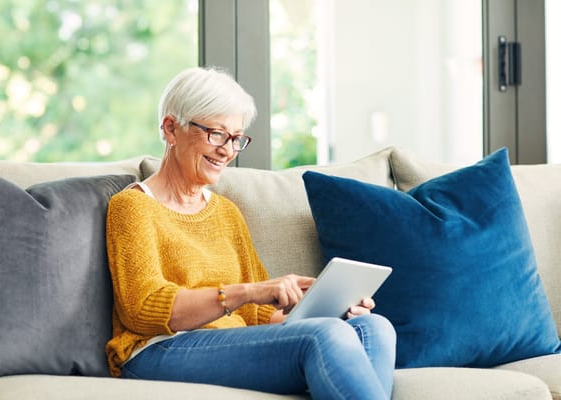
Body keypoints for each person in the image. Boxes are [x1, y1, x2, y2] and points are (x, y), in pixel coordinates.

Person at [105, 66, 396, 399]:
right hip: (158, 349)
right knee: (323, 336)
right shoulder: (132, 206)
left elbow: (254, 314)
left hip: (226, 345)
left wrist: (323, 308)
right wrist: (246, 291)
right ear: (172, 129)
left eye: (236, 138)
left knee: (373, 328)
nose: (228, 150)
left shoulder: (225, 212)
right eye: (216, 134)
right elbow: (142, 310)